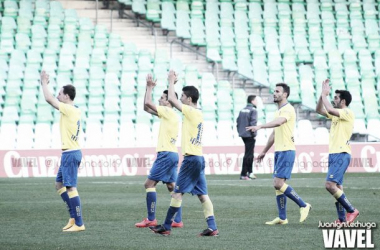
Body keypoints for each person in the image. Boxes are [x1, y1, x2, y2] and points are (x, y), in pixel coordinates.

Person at [149, 70, 219, 236]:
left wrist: (171, 81)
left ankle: (166, 226)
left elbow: (172, 100)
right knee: (202, 195)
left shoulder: (192, 111)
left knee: (177, 193)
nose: (180, 99)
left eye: (182, 96)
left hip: (191, 159)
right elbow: (174, 100)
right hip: (198, 158)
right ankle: (212, 227)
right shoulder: (198, 113)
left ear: (189, 99)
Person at [247, 83, 311, 225]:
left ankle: (303, 205)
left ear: (285, 94)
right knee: (278, 184)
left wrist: (260, 126)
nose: (274, 93)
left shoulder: (288, 109)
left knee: (278, 183)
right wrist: (264, 151)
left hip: (287, 150)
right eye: (274, 91)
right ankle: (282, 218)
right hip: (279, 150)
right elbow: (275, 133)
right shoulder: (278, 111)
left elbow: (279, 122)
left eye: (277, 91)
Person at [135, 74, 183, 228]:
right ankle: (177, 220)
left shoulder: (167, 112)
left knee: (149, 184)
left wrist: (149, 87)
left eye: (162, 98)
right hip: (172, 154)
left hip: (165, 154)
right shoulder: (171, 114)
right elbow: (145, 107)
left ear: (168, 101)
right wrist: (147, 89)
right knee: (171, 187)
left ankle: (151, 218)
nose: (160, 100)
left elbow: (148, 102)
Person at [40, 71, 85, 232]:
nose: (58, 96)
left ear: (66, 96)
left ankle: (79, 223)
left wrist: (44, 82)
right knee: (59, 184)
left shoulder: (69, 109)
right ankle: (73, 216)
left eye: (60, 94)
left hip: (71, 153)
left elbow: (48, 99)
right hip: (70, 153)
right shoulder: (75, 109)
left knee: (71, 187)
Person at [315, 79, 359, 224]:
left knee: (330, 185)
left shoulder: (347, 112)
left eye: (336, 98)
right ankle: (341, 219)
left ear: (343, 101)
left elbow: (330, 109)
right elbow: (319, 110)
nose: (334, 100)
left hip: (341, 153)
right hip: (334, 153)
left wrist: (325, 95)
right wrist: (322, 96)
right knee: (338, 187)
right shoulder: (336, 114)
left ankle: (351, 210)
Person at [236, 95, 258, 180]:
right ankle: (244, 174)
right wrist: (254, 134)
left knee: (250, 153)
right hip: (249, 134)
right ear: (252, 101)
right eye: (256, 100)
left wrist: (240, 131)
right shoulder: (253, 110)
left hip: (243, 134)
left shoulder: (242, 110)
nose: (257, 102)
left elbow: (237, 122)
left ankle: (250, 172)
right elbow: (253, 122)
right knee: (248, 154)